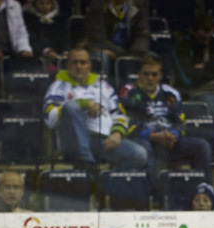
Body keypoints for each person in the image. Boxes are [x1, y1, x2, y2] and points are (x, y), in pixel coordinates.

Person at [42, 44, 148, 172]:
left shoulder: (103, 86)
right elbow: (50, 118)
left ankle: (104, 182)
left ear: (89, 66)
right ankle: (87, 162)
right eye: (74, 62)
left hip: (103, 141)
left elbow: (120, 114)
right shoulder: (59, 86)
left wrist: (117, 133)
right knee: (71, 106)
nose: (79, 66)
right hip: (72, 143)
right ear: (68, 65)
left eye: (83, 62)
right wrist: (84, 104)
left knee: (140, 155)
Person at [119, 54, 213, 190]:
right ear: (139, 74)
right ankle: (151, 196)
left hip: (169, 142)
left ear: (160, 75)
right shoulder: (128, 92)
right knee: (144, 147)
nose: (150, 78)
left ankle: (205, 193)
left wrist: (174, 134)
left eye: (154, 74)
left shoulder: (171, 93)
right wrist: (153, 136)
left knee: (202, 146)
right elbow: (126, 124)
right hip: (142, 140)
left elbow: (180, 122)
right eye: (146, 74)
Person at [84, 0, 151, 75]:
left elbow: (142, 34)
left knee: (152, 59)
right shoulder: (98, 5)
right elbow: (98, 37)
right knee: (101, 57)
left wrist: (136, 53)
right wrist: (122, 53)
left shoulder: (137, 5)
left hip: (131, 51)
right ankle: (104, 85)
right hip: (105, 49)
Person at [22, 0, 69, 68]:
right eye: (41, 3)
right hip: (36, 54)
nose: (44, 6)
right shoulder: (28, 18)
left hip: (57, 54)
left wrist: (65, 50)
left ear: (53, 4)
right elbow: (30, 38)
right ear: (34, 4)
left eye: (48, 3)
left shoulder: (59, 20)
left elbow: (64, 37)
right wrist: (46, 51)